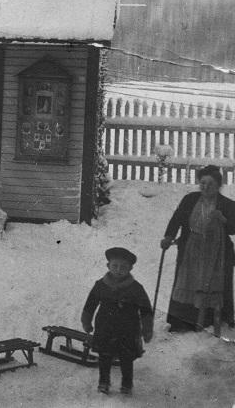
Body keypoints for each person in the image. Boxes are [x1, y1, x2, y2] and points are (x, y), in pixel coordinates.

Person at [160, 164, 235, 334]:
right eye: (202, 183)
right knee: (188, 280)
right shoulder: (190, 199)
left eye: (210, 184)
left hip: (217, 253)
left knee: (213, 285)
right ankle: (181, 323)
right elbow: (177, 218)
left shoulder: (228, 205)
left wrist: (223, 219)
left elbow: (233, 228)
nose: (206, 187)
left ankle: (212, 322)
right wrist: (168, 237)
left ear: (219, 185)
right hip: (191, 249)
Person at [81, 247, 153, 396]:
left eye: (123, 267)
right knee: (104, 356)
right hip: (105, 327)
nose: (119, 270)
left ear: (130, 268)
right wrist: (86, 322)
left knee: (127, 358)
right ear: (108, 266)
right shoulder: (100, 285)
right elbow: (90, 305)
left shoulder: (136, 288)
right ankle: (104, 382)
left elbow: (146, 310)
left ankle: (127, 384)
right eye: (115, 266)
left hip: (128, 329)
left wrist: (147, 330)